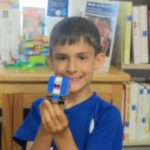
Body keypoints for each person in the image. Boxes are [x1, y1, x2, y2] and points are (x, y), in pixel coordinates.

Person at [13, 16, 123, 150]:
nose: (71, 68)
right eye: (62, 58)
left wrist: (61, 134)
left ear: (98, 61)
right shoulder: (40, 108)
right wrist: (46, 128)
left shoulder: (107, 115)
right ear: (51, 62)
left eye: (82, 57)